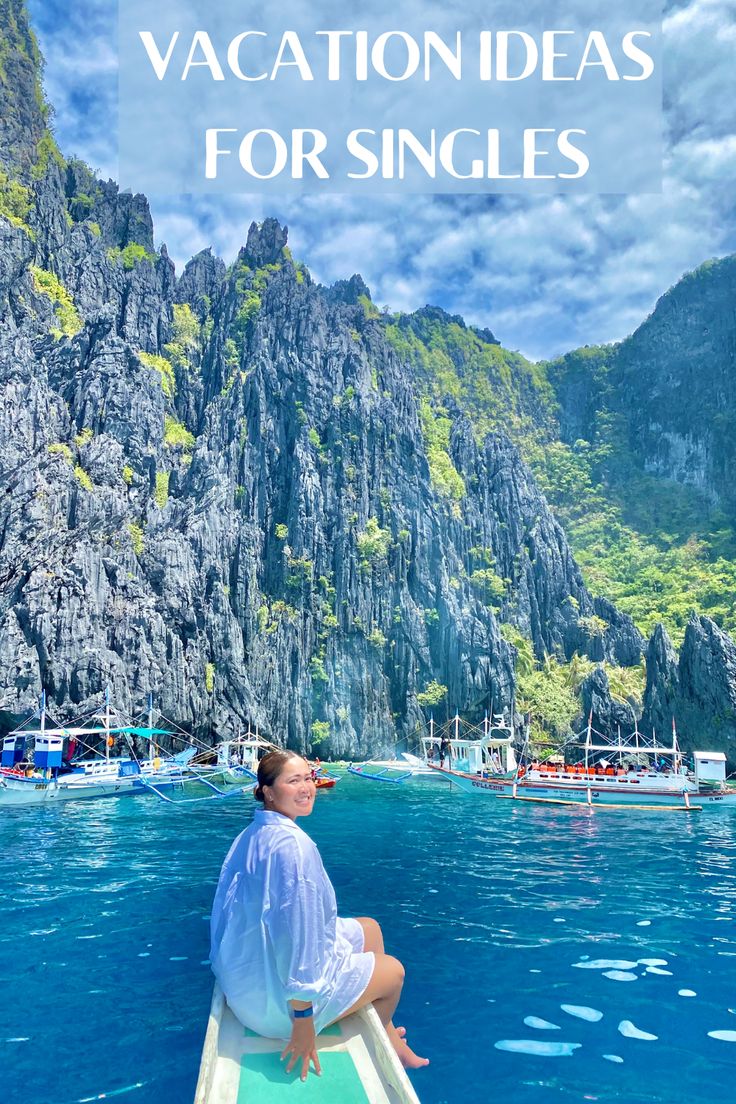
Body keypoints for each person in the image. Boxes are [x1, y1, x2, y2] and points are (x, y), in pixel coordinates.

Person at [210, 749, 428, 1081]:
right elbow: (297, 935)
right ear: (268, 791)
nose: (306, 787)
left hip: (244, 987)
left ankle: (384, 1031)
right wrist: (301, 1022)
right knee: (394, 973)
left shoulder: (253, 833)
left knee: (370, 929)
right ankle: (383, 1037)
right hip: (275, 1012)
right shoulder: (294, 848)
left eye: (308, 778)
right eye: (293, 780)